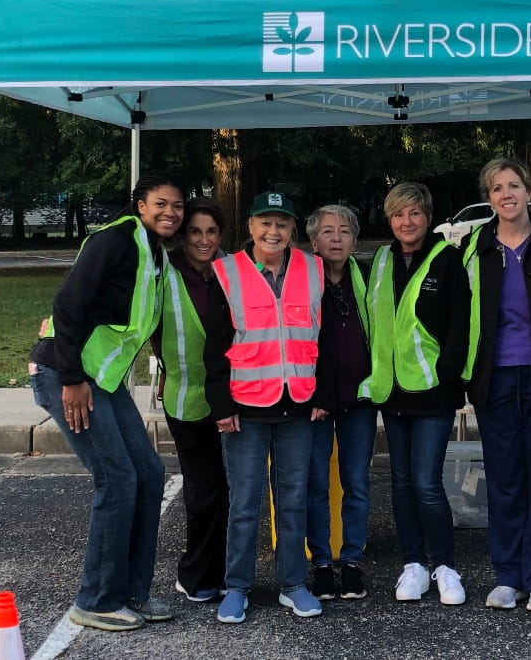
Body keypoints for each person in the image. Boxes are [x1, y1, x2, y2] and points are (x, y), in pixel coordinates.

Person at [28, 172, 184, 632]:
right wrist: (73, 380)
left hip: (105, 380)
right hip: (69, 375)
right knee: (116, 479)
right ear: (139, 204)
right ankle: (95, 600)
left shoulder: (153, 251)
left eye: (176, 205)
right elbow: (68, 304)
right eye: (160, 203)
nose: (169, 213)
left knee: (149, 474)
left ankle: (131, 592)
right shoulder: (114, 240)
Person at [204, 190, 330, 624]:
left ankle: (293, 584)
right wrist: (221, 404)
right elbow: (216, 345)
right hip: (245, 407)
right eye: (265, 223)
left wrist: (322, 396)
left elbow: (323, 339)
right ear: (251, 227)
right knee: (244, 503)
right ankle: (237, 587)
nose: (272, 231)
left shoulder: (314, 269)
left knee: (292, 501)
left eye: (281, 224)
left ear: (292, 230)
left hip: (298, 405)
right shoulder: (226, 272)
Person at [461, 158, 531, 614]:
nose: (507, 194)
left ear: (529, 190)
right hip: (494, 376)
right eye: (497, 187)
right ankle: (507, 576)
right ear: (489, 196)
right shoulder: (474, 247)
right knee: (503, 477)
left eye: (514, 185)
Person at [362, 182, 470, 606]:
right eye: (397, 215)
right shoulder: (381, 260)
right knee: (402, 482)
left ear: (428, 217)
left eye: (414, 213)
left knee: (427, 483)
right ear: (389, 220)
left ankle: (444, 566)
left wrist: (448, 377)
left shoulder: (448, 260)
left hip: (434, 392)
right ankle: (413, 564)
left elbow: (461, 325)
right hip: (393, 391)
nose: (406, 222)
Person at [157, 197, 229, 604]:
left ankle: (221, 572)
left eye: (212, 232)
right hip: (186, 399)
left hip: (234, 399)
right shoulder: (163, 271)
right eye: (196, 232)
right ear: (183, 235)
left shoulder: (233, 270)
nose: (204, 240)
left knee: (228, 490)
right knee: (205, 493)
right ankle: (196, 574)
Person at [304, 204, 375, 601]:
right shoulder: (302, 280)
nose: (336, 238)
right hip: (315, 401)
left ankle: (351, 561)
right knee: (316, 484)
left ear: (354, 240)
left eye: (344, 231)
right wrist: (319, 395)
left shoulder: (365, 278)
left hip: (359, 399)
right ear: (313, 241)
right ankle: (321, 565)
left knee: (357, 483)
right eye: (327, 231)